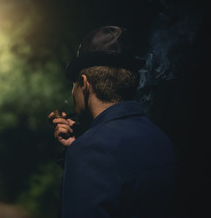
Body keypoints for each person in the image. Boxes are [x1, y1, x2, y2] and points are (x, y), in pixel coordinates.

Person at [48, 26, 178, 218]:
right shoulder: (160, 137)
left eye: (74, 84)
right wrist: (76, 149)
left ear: (84, 84)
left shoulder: (90, 150)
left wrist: (81, 151)